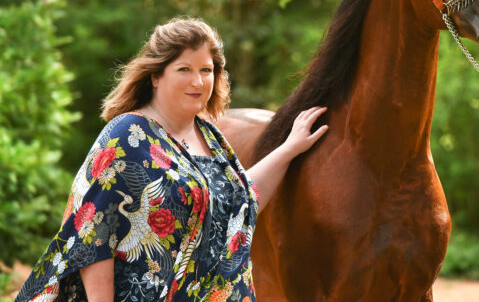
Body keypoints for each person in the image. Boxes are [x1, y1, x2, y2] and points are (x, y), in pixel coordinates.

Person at [15, 17, 328, 302]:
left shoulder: (211, 138)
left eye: (206, 70)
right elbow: (92, 232)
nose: (198, 81)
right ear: (155, 76)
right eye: (184, 69)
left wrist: (288, 149)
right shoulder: (127, 134)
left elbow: (241, 200)